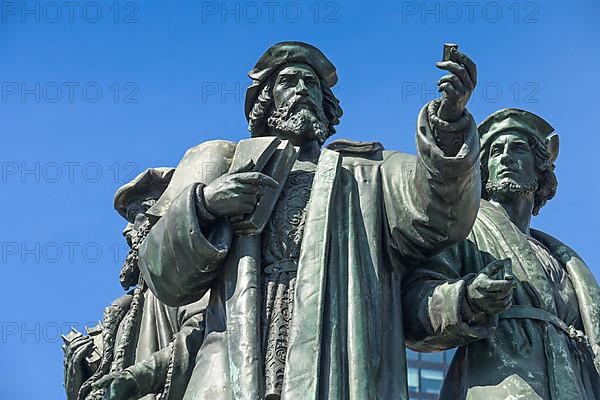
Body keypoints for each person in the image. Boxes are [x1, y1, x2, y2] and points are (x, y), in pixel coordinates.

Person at [138, 41, 482, 399]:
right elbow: (164, 276)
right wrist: (206, 205)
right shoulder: (228, 163)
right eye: (289, 82)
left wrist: (449, 122)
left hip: (335, 355)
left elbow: (441, 214)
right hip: (234, 356)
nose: (302, 89)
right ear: (266, 102)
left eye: (311, 83)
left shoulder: (367, 174)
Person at [403, 108, 600, 399]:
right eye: (495, 151)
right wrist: (467, 298)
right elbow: (413, 307)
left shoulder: (563, 259)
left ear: (540, 167)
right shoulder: (464, 231)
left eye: (518, 148)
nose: (505, 157)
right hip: (501, 386)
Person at [63, 168, 207, 400]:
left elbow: (201, 337)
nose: (125, 230)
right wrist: (77, 381)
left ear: (161, 217)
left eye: (133, 217)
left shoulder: (189, 278)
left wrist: (134, 379)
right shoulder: (124, 312)